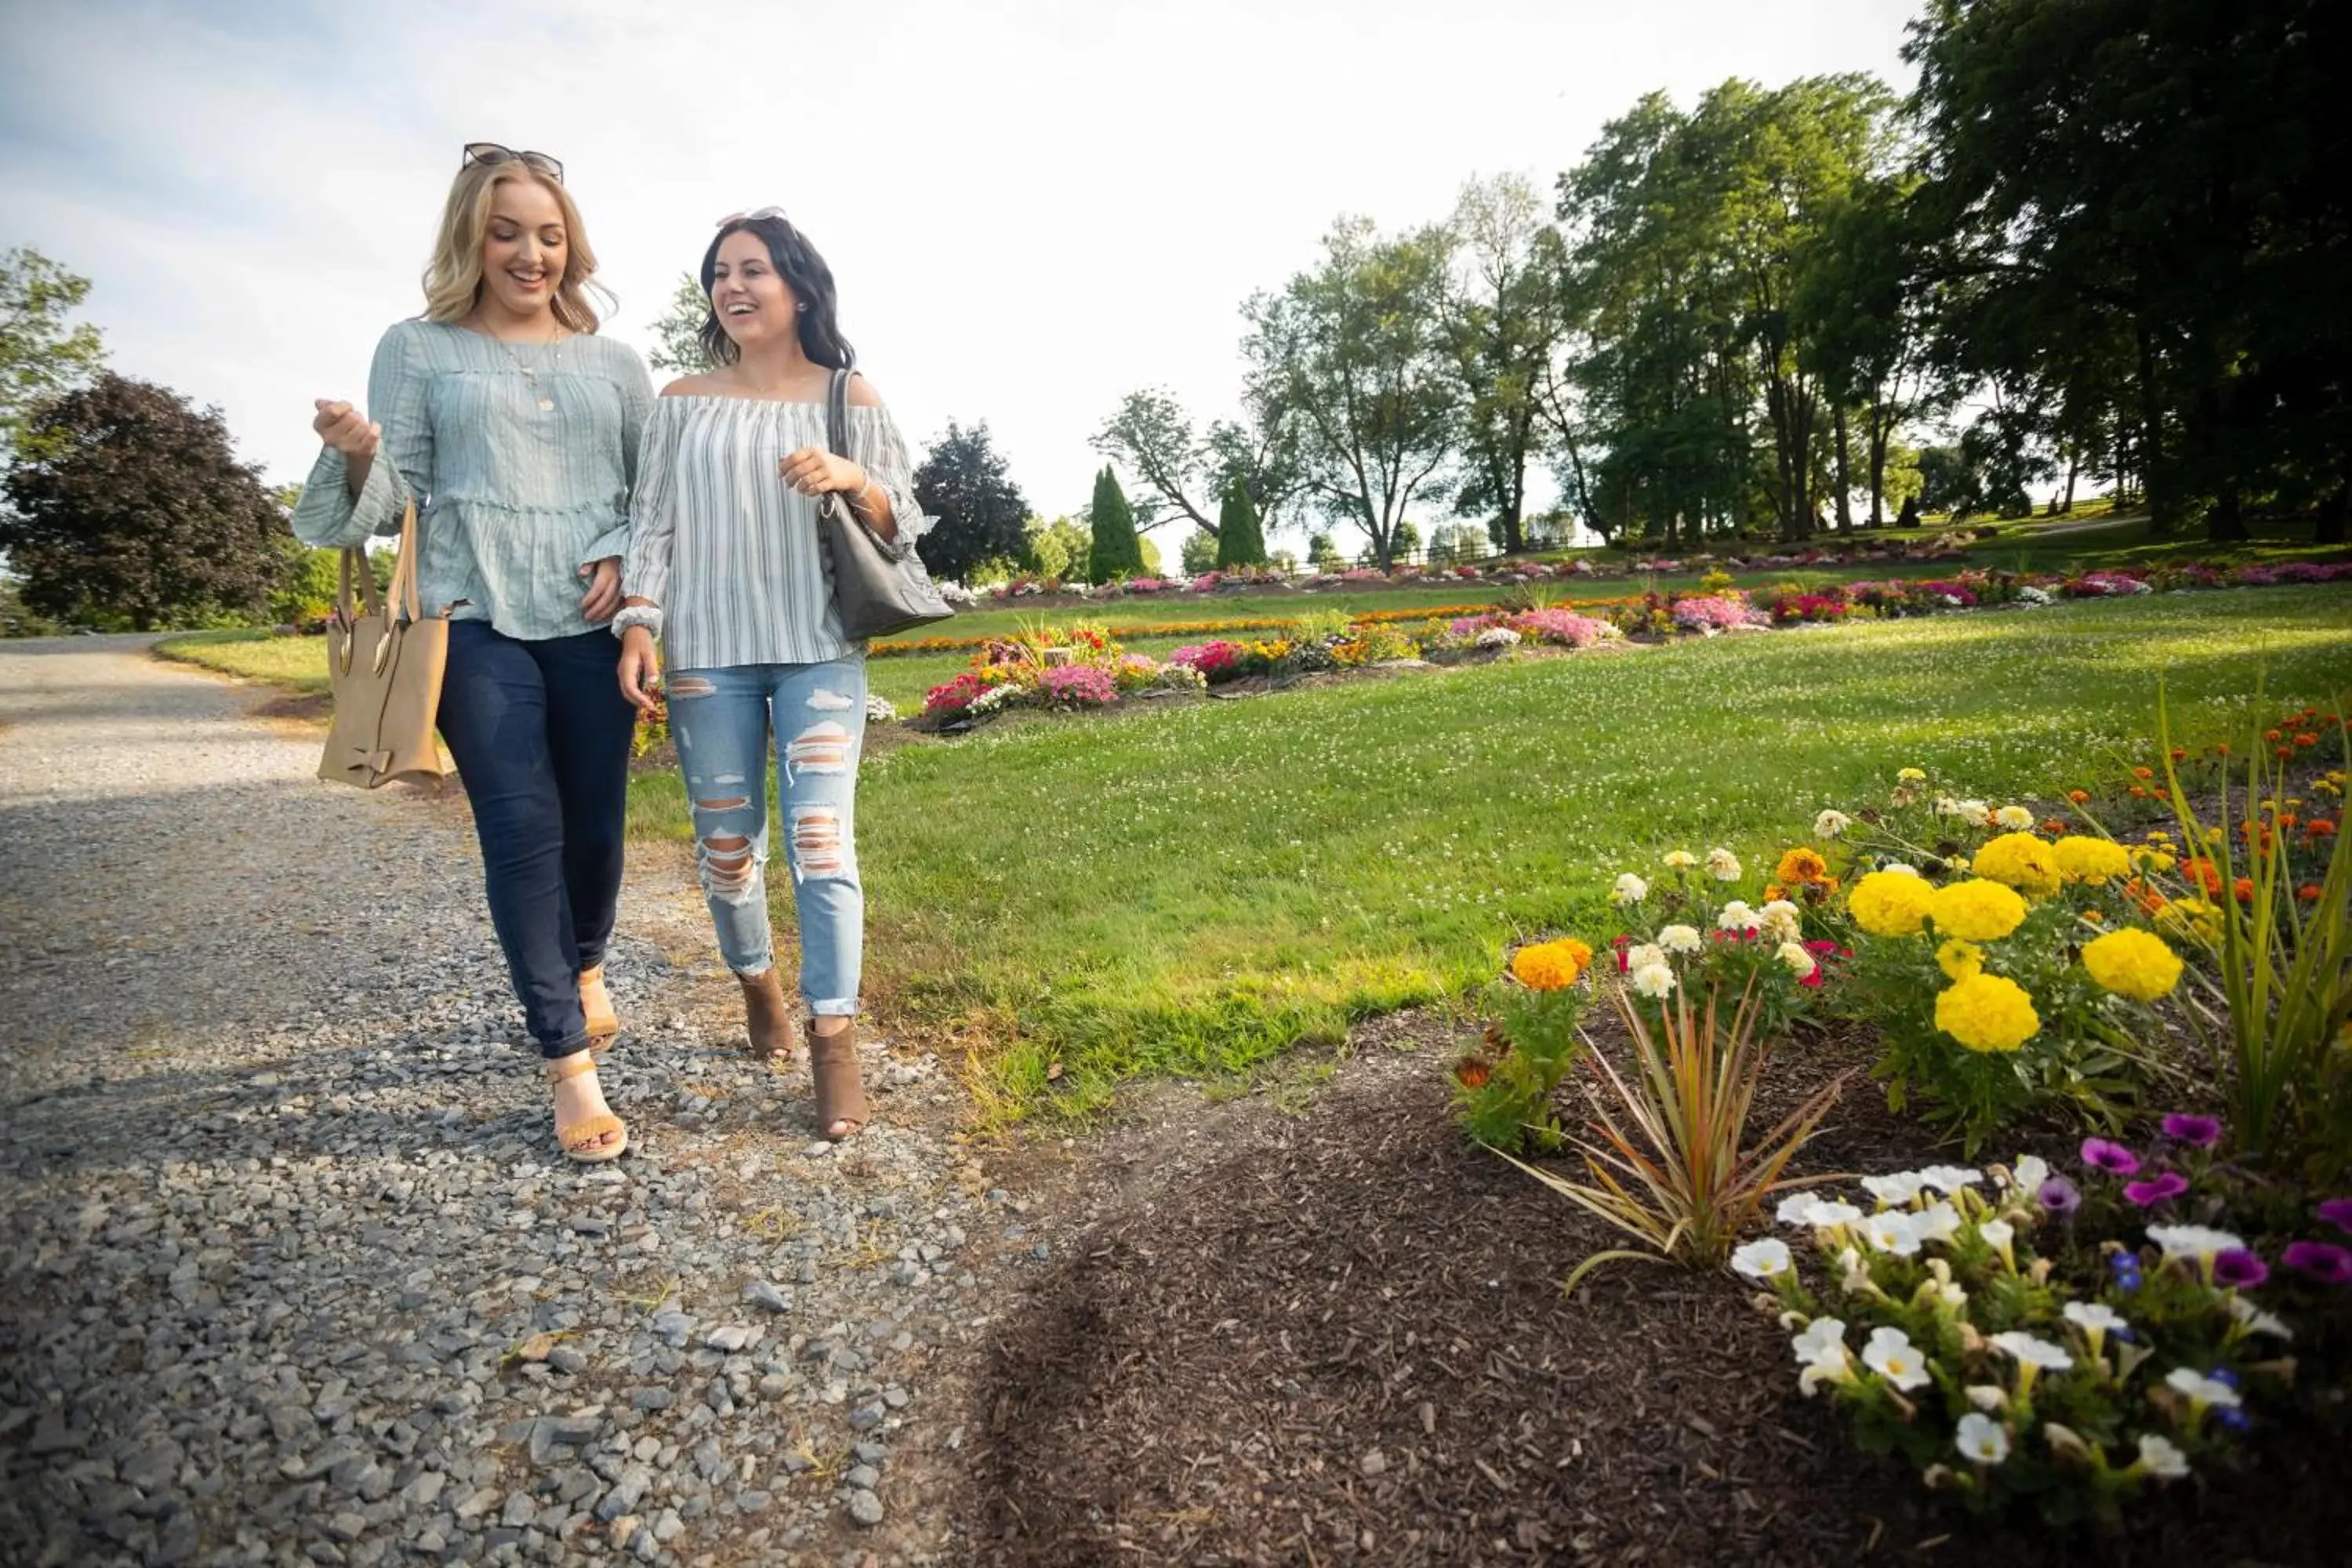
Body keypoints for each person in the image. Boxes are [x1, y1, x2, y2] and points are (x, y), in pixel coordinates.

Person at [292, 143, 652, 1163]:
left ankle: (584, 962)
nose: (530, 253)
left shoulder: (615, 363)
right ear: (471, 239)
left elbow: (650, 496)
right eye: (507, 233)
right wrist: (359, 450)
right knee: (521, 824)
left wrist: (625, 556)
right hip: (470, 608)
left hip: (588, 618)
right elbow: (389, 491)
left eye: (549, 234)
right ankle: (566, 1061)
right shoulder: (418, 348)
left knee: (597, 831)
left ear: (570, 244)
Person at [615, 209, 930, 1140]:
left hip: (821, 648)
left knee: (822, 840)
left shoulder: (852, 397)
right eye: (720, 273)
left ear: (798, 285)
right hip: (707, 652)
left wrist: (849, 474)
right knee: (727, 849)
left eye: (753, 268)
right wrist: (639, 625)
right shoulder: (681, 398)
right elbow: (653, 521)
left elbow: (903, 518)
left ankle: (835, 1041)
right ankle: (758, 981)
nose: (733, 286)